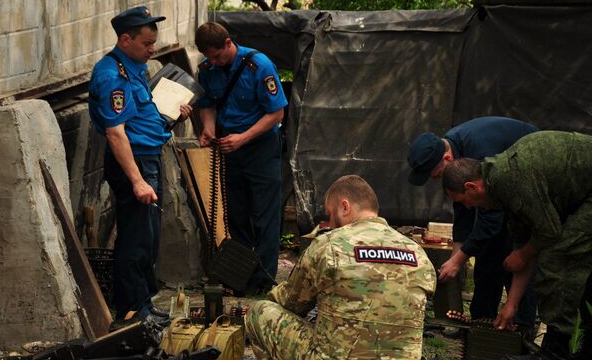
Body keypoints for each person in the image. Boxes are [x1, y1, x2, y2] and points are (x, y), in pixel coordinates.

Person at [245, 175, 436, 359]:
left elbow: (290, 302)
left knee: (260, 311)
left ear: (344, 207)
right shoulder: (417, 253)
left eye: (330, 214)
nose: (330, 223)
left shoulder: (328, 245)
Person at [442, 131, 592, 360]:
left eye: (464, 202)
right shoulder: (502, 190)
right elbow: (524, 247)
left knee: (559, 257)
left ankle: (555, 351)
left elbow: (548, 233)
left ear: (472, 187)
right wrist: (511, 306)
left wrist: (523, 254)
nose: (469, 208)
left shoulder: (510, 180)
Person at [88, 6, 192, 322]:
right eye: (147, 43)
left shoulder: (134, 67)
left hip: (149, 157)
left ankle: (144, 304)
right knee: (135, 239)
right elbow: (117, 134)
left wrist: (171, 116)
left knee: (149, 237)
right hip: (133, 164)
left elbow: (140, 114)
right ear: (125, 39)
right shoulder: (111, 76)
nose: (153, 49)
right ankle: (132, 311)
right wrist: (137, 181)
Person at [407, 116, 538, 331]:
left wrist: (459, 259)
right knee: (486, 256)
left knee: (511, 257)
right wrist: (455, 256)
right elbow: (462, 208)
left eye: (435, 175)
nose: (434, 180)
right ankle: (481, 324)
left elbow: (491, 219)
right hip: (505, 198)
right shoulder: (456, 154)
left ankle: (522, 330)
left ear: (447, 158)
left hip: (528, 194)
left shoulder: (482, 153)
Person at [195, 22, 288, 294]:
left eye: (217, 56)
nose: (213, 61)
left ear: (227, 43)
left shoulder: (259, 66)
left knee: (264, 216)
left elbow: (277, 113)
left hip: (260, 146)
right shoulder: (207, 69)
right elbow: (208, 104)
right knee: (236, 214)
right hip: (229, 147)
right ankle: (242, 276)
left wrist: (243, 138)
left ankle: (264, 280)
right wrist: (209, 129)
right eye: (208, 57)